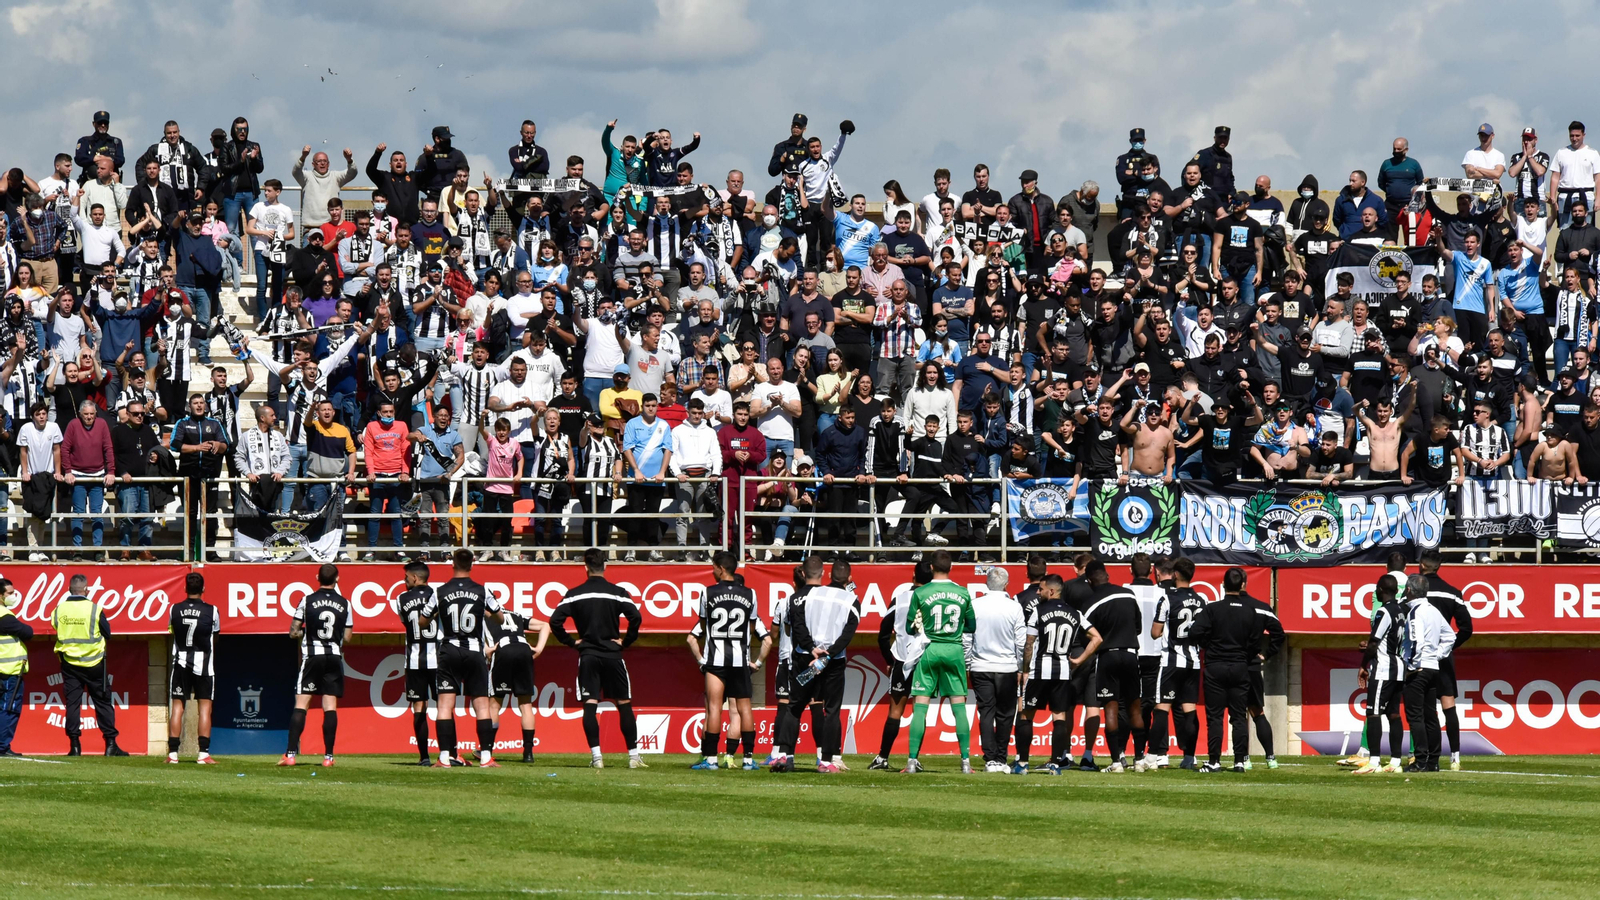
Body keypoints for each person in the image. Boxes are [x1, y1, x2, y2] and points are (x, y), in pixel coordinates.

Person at [549, 547, 645, 768]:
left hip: (589, 654)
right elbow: (636, 617)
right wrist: (626, 641)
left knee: (590, 704)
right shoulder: (618, 592)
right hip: (612, 653)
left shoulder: (575, 593)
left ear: (585, 567)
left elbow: (555, 621)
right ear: (606, 566)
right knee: (623, 703)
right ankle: (633, 757)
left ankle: (597, 757)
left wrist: (572, 642)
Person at [1187, 567, 1284, 773]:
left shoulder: (1212, 609)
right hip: (1243, 666)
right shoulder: (1253, 610)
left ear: (1223, 585)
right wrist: (1259, 653)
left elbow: (1194, 632)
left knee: (1215, 716)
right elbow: (1267, 635)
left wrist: (1209, 644)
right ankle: (1241, 761)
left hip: (1216, 666)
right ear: (1242, 584)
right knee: (1241, 716)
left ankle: (1214, 761)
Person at [771, 555, 860, 773]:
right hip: (832, 662)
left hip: (806, 659)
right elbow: (848, 633)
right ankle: (826, 760)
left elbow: (798, 625)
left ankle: (785, 755)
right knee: (831, 709)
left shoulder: (808, 594)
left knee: (795, 706)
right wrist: (829, 653)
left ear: (828, 574)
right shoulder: (852, 600)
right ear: (849, 578)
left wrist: (812, 648)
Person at [419, 549, 505, 767]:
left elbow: (422, 621)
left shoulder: (439, 591)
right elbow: (500, 617)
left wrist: (440, 614)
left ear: (452, 564)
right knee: (482, 706)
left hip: (449, 650)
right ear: (472, 565)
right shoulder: (482, 590)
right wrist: (483, 613)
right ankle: (485, 757)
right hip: (475, 650)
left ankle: (444, 757)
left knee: (445, 706)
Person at [686, 552, 771, 770]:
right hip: (740, 660)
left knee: (714, 708)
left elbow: (703, 625)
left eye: (714, 567)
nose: (712, 571)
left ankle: (712, 760)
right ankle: (749, 760)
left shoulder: (708, 592)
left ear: (721, 569)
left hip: (716, 659)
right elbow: (751, 628)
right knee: (745, 709)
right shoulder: (750, 593)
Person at [901, 550, 976, 774]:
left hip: (930, 649)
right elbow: (971, 626)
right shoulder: (963, 593)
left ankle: (912, 762)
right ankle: (965, 762)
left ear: (931, 568)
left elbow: (909, 628)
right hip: (954, 649)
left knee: (920, 707)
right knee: (959, 707)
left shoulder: (921, 592)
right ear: (951, 567)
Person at [1018, 572, 1100, 775]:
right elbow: (1097, 638)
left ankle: (1022, 764)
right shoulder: (1075, 613)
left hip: (1040, 669)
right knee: (1059, 717)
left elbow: (1029, 644)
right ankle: (1055, 764)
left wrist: (1025, 670)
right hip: (1063, 671)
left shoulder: (1038, 611)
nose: (1038, 592)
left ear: (1052, 591)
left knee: (1026, 714)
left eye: (1041, 588)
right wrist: (1079, 660)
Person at [279, 564, 352, 767]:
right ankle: (328, 757)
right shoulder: (345, 603)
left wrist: (306, 634)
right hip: (334, 657)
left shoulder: (307, 600)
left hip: (312, 656)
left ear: (316, 577)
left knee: (301, 704)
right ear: (337, 579)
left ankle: (290, 755)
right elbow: (347, 636)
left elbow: (293, 632)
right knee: (330, 706)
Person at [1080, 561, 1144, 773]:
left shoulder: (1089, 603)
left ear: (1089, 581)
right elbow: (1138, 627)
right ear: (1107, 575)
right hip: (1130, 654)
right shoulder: (1128, 594)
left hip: (1108, 657)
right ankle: (1140, 760)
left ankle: (1116, 762)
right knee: (1135, 708)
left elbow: (1087, 636)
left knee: (1111, 708)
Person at [51, 574, 126, 756]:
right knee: (103, 703)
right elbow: (107, 633)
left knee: (73, 704)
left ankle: (74, 745)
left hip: (70, 663)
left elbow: (55, 627)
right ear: (87, 590)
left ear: (69, 589)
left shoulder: (59, 609)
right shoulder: (94, 608)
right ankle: (110, 744)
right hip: (94, 663)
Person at [869, 560, 931, 771]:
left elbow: (883, 635)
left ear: (913, 578)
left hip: (902, 661)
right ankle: (914, 759)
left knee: (896, 711)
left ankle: (882, 758)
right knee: (920, 710)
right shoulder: (935, 600)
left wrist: (890, 660)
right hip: (925, 661)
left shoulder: (900, 599)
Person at [1418, 548, 1473, 770]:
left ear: (1422, 566)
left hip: (1421, 657)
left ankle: (1428, 757)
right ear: (1439, 567)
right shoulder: (1453, 592)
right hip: (1443, 656)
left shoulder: (1415, 593)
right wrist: (1449, 647)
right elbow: (1467, 628)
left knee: (1425, 708)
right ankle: (1455, 757)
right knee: (1448, 705)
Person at [967, 567, 1026, 773]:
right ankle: (1000, 757)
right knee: (1005, 714)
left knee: (986, 712)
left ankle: (990, 758)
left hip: (980, 666)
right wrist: (1021, 667)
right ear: (1006, 585)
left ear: (986, 583)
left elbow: (967, 638)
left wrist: (967, 663)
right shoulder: (1014, 607)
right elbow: (1021, 642)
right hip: (1006, 667)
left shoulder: (974, 605)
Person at [1151, 557, 1206, 770]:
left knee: (1162, 707)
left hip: (1171, 661)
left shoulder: (1167, 598)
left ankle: (1154, 756)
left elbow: (1156, 633)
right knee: (1189, 710)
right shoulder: (1201, 600)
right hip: (1193, 661)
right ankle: (1189, 757)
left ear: (1175, 575)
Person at [1351, 573, 1408, 775]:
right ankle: (1395, 761)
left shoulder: (1383, 612)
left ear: (1381, 590)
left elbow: (1374, 642)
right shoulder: (1401, 612)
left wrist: (1363, 664)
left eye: (1377, 588)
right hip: (1398, 668)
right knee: (1393, 714)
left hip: (1383, 668)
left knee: (1373, 713)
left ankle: (1373, 761)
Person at [1401, 572, 1456, 773]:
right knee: (1430, 716)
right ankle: (1433, 761)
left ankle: (1421, 760)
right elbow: (1450, 636)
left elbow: (1416, 642)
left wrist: (1412, 665)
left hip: (1419, 669)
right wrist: (1437, 655)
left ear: (1409, 590)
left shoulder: (1415, 612)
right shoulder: (1433, 610)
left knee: (1415, 716)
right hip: (1432, 667)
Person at [486, 602, 552, 765]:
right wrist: (539, 648)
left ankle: (486, 751)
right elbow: (545, 625)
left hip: (504, 650)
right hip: (523, 650)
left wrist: (486, 649)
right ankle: (528, 753)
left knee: (494, 705)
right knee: (526, 704)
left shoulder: (483, 616)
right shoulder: (516, 615)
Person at [167, 572, 221, 764]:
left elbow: (171, 630)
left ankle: (173, 754)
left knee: (177, 707)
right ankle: (203, 754)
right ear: (203, 589)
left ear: (185, 588)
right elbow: (215, 635)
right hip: (204, 664)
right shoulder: (212, 610)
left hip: (180, 661)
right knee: (205, 709)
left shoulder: (174, 609)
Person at [395, 560, 440, 765]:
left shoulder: (401, 599)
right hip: (438, 659)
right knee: (445, 706)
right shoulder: (439, 596)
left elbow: (407, 623)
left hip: (414, 660)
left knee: (419, 707)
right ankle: (449, 754)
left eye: (406, 578)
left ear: (414, 577)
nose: (405, 581)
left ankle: (424, 756)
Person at [0, 581, 31, 757]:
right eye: (9, 593)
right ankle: (2, 746)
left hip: (4, 668)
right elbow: (28, 632)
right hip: (9, 670)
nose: (13, 595)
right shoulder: (5, 616)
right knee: (9, 709)